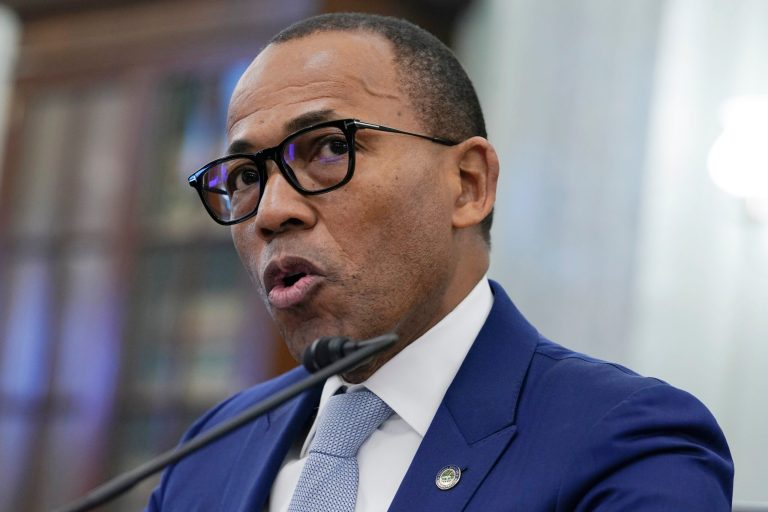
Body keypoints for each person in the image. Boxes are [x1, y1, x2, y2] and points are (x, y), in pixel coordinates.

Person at [147, 12, 733, 511]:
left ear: (468, 184)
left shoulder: (627, 443)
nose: (271, 212)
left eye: (330, 148)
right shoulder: (208, 453)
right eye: (247, 177)